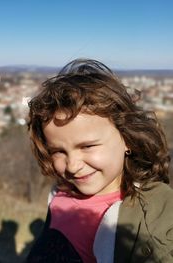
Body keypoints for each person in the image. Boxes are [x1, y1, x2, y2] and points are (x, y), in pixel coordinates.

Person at [26, 59, 173, 263]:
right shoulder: (62, 191)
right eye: (58, 151)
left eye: (87, 146)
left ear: (127, 138)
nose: (73, 166)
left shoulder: (155, 215)